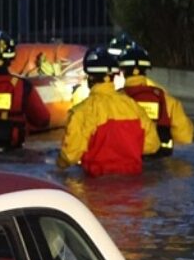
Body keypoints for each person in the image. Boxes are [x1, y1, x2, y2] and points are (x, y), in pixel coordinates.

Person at [57, 46, 160, 176]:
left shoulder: (81, 112)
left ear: (90, 78)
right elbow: (152, 145)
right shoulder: (133, 106)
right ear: (113, 77)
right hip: (134, 189)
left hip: (95, 186)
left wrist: (58, 164)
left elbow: (70, 156)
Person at [118, 44, 194, 157]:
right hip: (161, 160)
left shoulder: (115, 99)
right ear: (146, 70)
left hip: (127, 159)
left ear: (122, 71)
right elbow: (185, 137)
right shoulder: (167, 100)